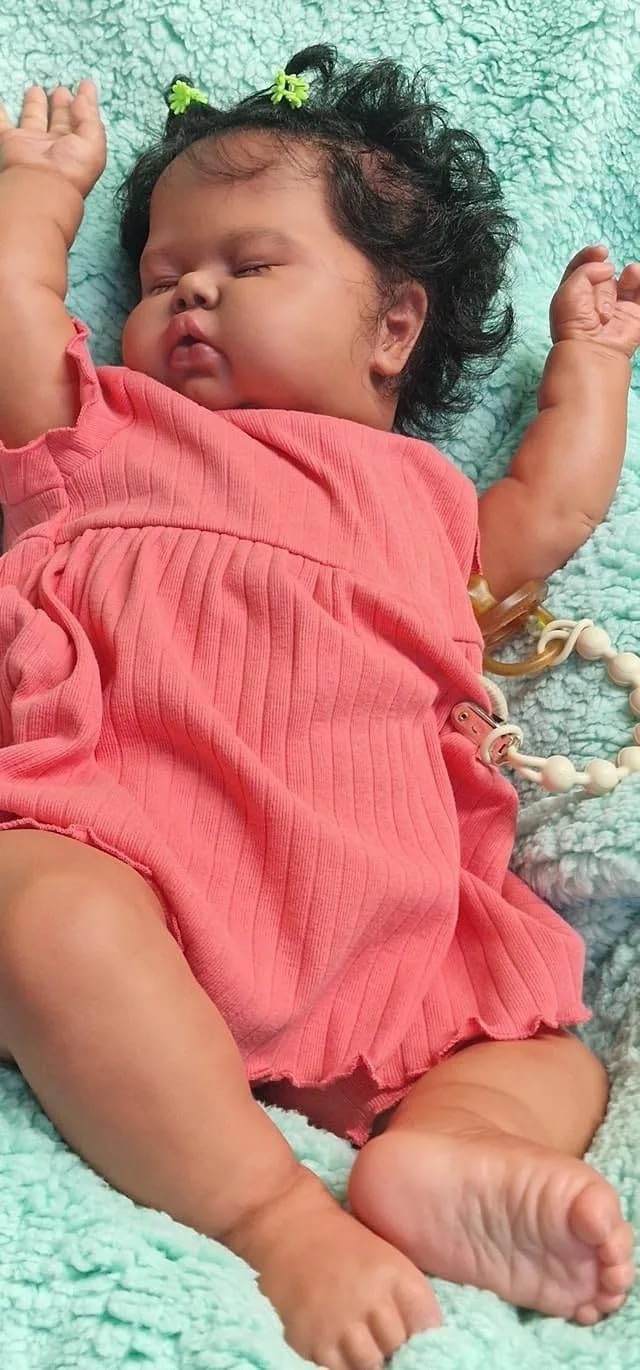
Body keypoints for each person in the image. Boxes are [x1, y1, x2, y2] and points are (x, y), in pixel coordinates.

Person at [0, 45, 636, 1370]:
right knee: (31, 904)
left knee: (548, 1049)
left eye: (250, 264)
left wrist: (592, 360)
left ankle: (452, 1147)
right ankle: (271, 1212)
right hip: (142, 872)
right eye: (164, 275)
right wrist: (39, 195)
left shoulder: (430, 508)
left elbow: (560, 504)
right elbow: (11, 322)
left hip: (388, 923)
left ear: (395, 328)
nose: (192, 291)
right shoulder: (107, 437)